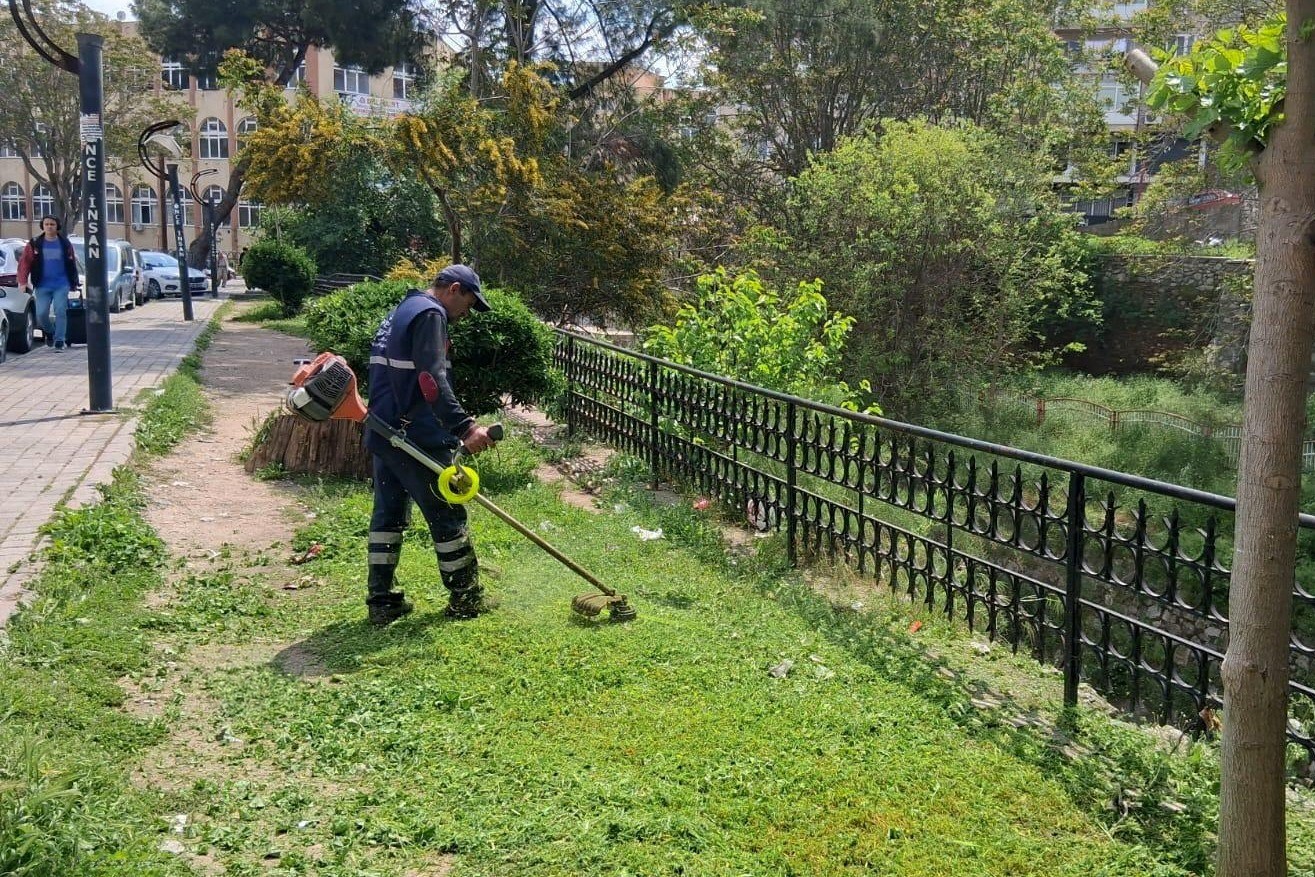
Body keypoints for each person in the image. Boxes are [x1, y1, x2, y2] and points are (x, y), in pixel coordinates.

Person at [363, 264, 498, 626]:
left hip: (385, 430)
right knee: (447, 512)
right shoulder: (430, 315)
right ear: (454, 289)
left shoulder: (404, 309)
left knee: (388, 516)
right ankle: (466, 598)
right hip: (416, 436)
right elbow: (431, 379)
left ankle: (381, 601)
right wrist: (465, 427)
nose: (467, 313)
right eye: (469, 303)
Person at [17, 215, 80, 351]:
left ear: (57, 226)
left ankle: (59, 340)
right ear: (42, 226)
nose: (49, 227)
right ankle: (50, 332)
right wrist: (22, 281)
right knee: (41, 314)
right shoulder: (35, 243)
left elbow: (71, 263)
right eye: (46, 224)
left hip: (61, 284)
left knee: (60, 311)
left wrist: (74, 282)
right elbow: (25, 263)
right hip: (42, 284)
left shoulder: (65, 243)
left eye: (52, 224)